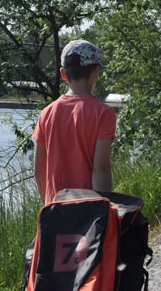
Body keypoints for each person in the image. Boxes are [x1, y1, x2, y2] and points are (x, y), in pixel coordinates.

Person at [32, 40, 115, 204]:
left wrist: (48, 206)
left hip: (55, 212)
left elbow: (39, 170)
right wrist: (104, 211)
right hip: (88, 216)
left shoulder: (47, 113)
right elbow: (100, 170)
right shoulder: (103, 114)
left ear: (63, 74)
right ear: (96, 72)